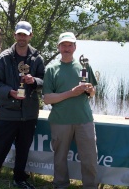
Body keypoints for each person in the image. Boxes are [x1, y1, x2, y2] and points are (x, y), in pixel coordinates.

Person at [0, 21, 45, 189]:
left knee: (23, 150)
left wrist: (34, 80)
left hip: (29, 114)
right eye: (19, 34)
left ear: (31, 36)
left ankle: (19, 178)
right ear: (15, 35)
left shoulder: (37, 58)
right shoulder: (5, 57)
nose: (22, 37)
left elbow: (45, 81)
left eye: (25, 34)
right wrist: (9, 92)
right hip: (8, 112)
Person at [42, 32, 98, 189]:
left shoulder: (84, 66)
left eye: (70, 45)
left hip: (84, 119)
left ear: (75, 47)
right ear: (58, 47)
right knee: (59, 158)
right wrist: (71, 93)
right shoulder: (51, 70)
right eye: (63, 45)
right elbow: (47, 99)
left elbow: (92, 93)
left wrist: (90, 90)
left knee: (90, 158)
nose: (67, 48)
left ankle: (91, 186)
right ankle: (60, 185)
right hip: (60, 120)